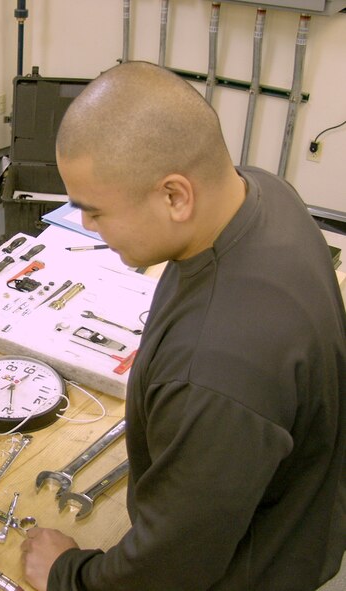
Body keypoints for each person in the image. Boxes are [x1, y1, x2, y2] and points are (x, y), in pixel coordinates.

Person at [21, 61, 345, 590]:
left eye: (95, 211)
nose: (86, 226)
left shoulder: (217, 371)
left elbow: (170, 572)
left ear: (175, 196)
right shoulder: (264, 194)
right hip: (295, 509)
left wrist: (67, 574)